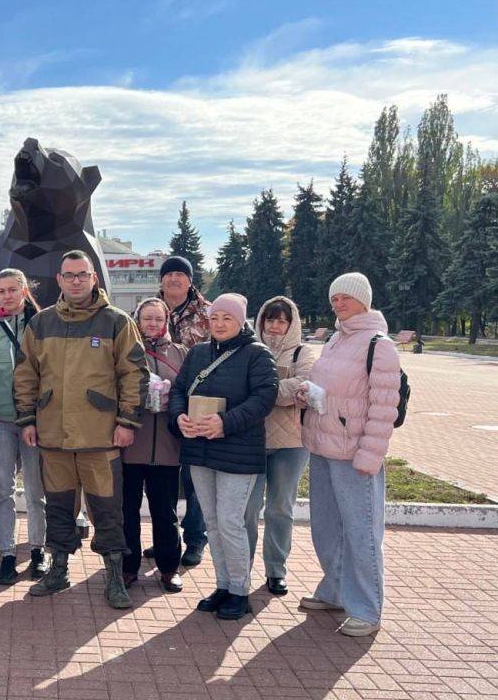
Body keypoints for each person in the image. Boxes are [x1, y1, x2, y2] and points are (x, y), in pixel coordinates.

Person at [14, 250, 148, 609]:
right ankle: (58, 570)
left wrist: (126, 422)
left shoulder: (116, 322)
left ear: (94, 279)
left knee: (107, 509)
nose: (75, 281)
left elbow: (134, 373)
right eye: (69, 275)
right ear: (59, 280)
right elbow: (26, 374)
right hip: (53, 437)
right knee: (58, 507)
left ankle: (114, 576)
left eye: (82, 275)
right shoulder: (41, 324)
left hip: (100, 436)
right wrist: (27, 419)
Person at [297, 273, 401, 637]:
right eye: (334, 298)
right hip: (323, 448)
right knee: (326, 529)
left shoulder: (379, 344)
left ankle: (367, 609)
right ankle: (335, 590)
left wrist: (369, 455)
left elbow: (384, 407)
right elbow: (333, 390)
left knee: (361, 533)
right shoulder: (335, 340)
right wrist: (308, 395)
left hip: (354, 453)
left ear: (364, 300)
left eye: (345, 297)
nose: (338, 303)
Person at [168, 293, 277, 621]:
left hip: (238, 453)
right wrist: (179, 418)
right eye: (215, 318)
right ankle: (223, 584)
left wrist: (224, 423)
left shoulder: (257, 354)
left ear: (240, 320)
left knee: (231, 521)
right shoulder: (198, 353)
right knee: (213, 522)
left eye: (227, 318)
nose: (219, 324)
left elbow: (264, 398)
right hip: (200, 450)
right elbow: (177, 390)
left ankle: (240, 592)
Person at [0, 269, 48, 585]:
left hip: (34, 420)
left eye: (11, 290)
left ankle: (37, 551)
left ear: (24, 290)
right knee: (2, 489)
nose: (6, 295)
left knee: (36, 490)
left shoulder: (42, 324)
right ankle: (6, 554)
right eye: (0, 291)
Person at [244, 296, 315, 596]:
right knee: (247, 510)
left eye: (281, 320)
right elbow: (237, 387)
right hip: (251, 441)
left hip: (291, 444)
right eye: (269, 319)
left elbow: (304, 385)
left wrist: (261, 392)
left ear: (291, 323)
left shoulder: (303, 352)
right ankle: (240, 569)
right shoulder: (247, 349)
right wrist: (280, 391)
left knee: (279, 508)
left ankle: (276, 570)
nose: (274, 326)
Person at [121, 298, 187, 593]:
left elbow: (187, 391)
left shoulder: (179, 352)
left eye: (158, 319)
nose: (152, 324)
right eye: (147, 318)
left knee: (165, 510)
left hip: (167, 446)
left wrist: (171, 396)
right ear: (137, 319)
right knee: (128, 509)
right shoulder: (127, 350)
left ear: (166, 321)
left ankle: (169, 566)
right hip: (131, 442)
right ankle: (127, 566)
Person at [158, 255, 210, 567]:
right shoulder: (148, 311)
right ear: (161, 280)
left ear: (190, 281)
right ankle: (167, 538)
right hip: (158, 408)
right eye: (169, 274)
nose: (174, 279)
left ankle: (194, 539)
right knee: (163, 478)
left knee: (194, 478)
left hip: (197, 406)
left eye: (181, 274)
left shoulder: (208, 312)